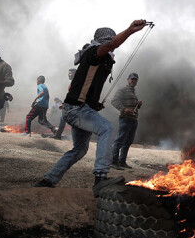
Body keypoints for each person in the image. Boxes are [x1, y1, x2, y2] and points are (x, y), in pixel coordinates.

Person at [34, 20, 148, 196]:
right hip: (77, 109)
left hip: (81, 108)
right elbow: (112, 44)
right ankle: (100, 179)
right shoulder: (93, 53)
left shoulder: (102, 59)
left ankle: (49, 179)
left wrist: (94, 104)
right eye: (110, 42)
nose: (113, 47)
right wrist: (130, 31)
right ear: (103, 41)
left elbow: (88, 85)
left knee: (79, 149)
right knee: (107, 128)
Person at [110, 73, 142, 170]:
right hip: (125, 118)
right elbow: (114, 101)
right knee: (120, 140)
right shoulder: (122, 90)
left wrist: (139, 105)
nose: (133, 81)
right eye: (132, 79)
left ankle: (122, 161)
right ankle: (113, 162)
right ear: (128, 80)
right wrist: (124, 109)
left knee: (128, 142)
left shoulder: (134, 92)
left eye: (135, 79)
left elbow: (135, 107)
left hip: (134, 119)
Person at [50, 68, 76, 140]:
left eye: (70, 73)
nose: (68, 74)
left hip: (72, 105)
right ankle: (58, 135)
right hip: (70, 105)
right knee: (63, 119)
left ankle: (59, 135)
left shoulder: (75, 82)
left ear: (74, 74)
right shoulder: (73, 82)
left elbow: (72, 95)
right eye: (68, 73)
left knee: (69, 120)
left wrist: (65, 104)